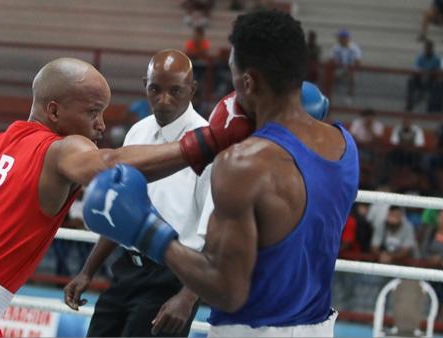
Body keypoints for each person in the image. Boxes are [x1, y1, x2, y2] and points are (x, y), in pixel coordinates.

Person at [0, 57, 252, 336]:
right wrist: (204, 144)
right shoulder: (60, 149)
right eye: (93, 112)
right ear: (55, 111)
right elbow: (110, 164)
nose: (101, 125)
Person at [82, 10, 359, 337]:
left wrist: (147, 232)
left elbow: (227, 289)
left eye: (232, 75)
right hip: (319, 325)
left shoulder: (244, 164)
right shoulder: (344, 145)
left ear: (248, 82)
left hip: (250, 329)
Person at [64, 49, 210, 337]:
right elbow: (120, 211)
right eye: (155, 88)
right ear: (145, 84)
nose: (164, 99)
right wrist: (87, 271)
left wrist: (187, 297)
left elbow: (217, 234)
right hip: (126, 270)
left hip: (175, 275)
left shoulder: (208, 143)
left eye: (175, 91)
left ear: (192, 90)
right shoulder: (137, 133)